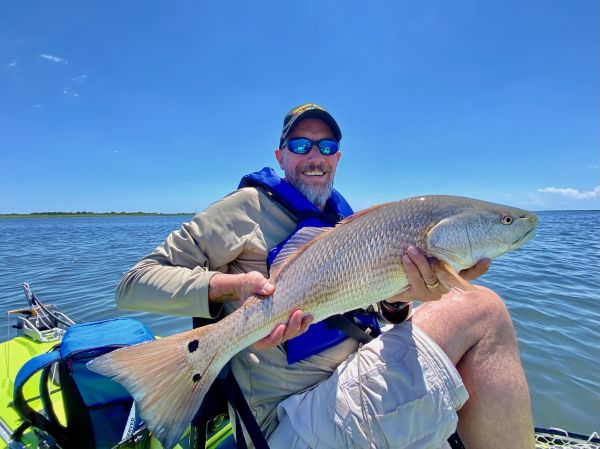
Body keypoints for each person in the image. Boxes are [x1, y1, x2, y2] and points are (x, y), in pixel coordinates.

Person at [116, 103, 535, 449]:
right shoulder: (245, 208)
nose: (314, 156)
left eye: (326, 145)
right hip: (293, 418)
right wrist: (230, 287)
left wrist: (398, 299)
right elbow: (134, 282)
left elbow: (373, 310)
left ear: (337, 157)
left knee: (452, 309)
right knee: (483, 308)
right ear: (280, 156)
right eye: (300, 145)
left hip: (348, 383)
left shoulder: (344, 220)